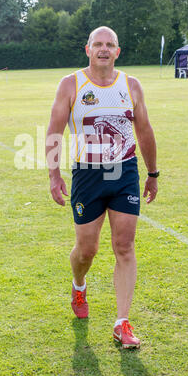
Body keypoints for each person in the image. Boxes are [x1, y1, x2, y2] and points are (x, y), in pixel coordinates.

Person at [46, 26, 159, 349]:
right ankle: (78, 285)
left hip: (124, 171)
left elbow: (145, 130)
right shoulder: (71, 85)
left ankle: (122, 322)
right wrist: (54, 176)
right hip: (88, 174)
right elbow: (54, 131)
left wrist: (152, 173)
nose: (104, 49)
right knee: (87, 250)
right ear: (88, 49)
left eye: (110, 44)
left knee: (124, 245)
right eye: (98, 44)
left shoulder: (131, 85)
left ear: (118, 51)